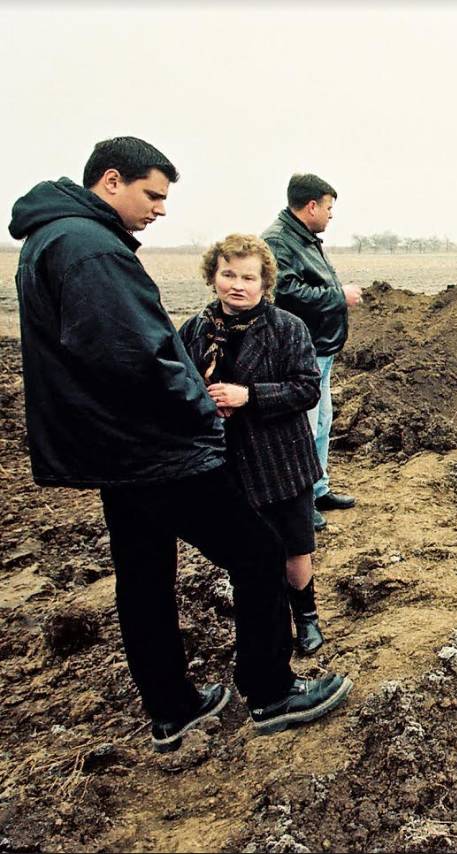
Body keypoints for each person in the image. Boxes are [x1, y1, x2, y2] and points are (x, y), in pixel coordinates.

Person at [8, 136, 352, 752]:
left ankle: (172, 709)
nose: (160, 209)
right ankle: (271, 692)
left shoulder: (50, 240)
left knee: (143, 576)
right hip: (151, 448)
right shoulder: (90, 250)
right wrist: (200, 408)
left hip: (112, 452)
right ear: (111, 181)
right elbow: (137, 356)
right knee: (256, 550)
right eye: (153, 195)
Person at [178, 234, 329, 656]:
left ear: (265, 283)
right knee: (250, 554)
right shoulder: (194, 330)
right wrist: (203, 403)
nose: (237, 285)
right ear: (213, 277)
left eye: (249, 276)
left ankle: (306, 616)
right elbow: (179, 385)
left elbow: (306, 389)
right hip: (226, 464)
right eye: (228, 274)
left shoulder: (287, 328)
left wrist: (250, 396)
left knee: (295, 547)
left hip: (281, 461)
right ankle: (268, 624)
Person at [262, 175, 363, 531]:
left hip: (320, 348)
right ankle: (300, 502)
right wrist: (339, 296)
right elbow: (286, 292)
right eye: (329, 207)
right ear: (311, 207)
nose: (331, 215)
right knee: (302, 427)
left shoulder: (302, 238)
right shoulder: (278, 240)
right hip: (301, 350)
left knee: (321, 422)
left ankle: (318, 489)